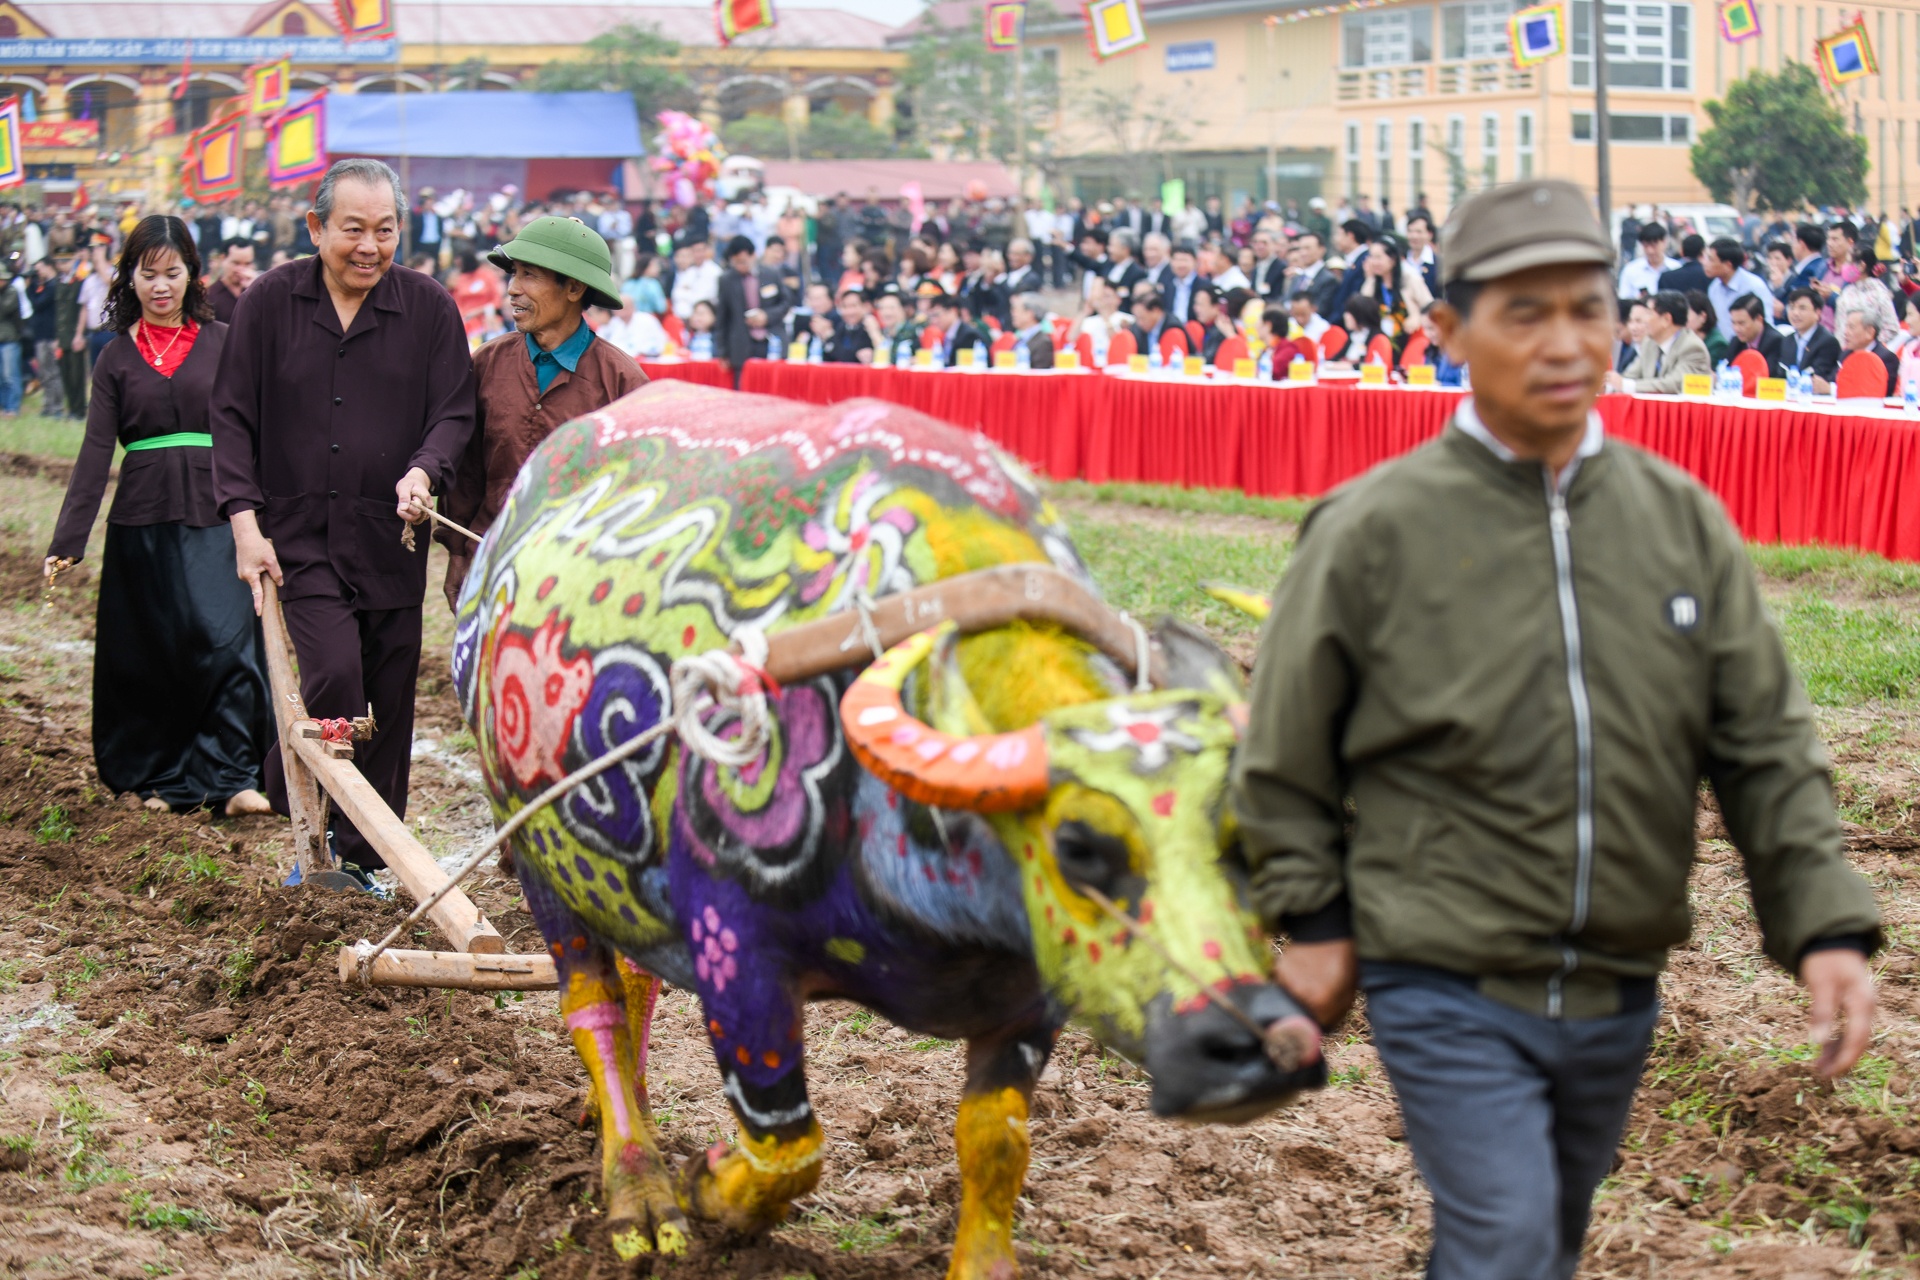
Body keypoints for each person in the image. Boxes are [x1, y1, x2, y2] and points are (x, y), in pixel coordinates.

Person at [1234, 176, 1881, 1280]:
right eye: (1524, 312)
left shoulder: (1678, 522)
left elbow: (1765, 745)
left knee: (1541, 1242)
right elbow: (1282, 761)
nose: (1564, 341)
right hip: (1441, 976)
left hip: (1617, 980)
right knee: (1508, 1244)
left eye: (1588, 309)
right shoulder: (1371, 531)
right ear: (1450, 332)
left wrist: (1823, 924)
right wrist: (1316, 921)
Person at [211, 158, 476, 888]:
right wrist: (243, 523)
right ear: (315, 227)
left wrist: (425, 470)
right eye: (353, 229)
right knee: (334, 675)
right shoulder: (268, 303)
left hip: (390, 536)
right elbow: (230, 417)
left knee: (388, 701)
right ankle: (288, 778)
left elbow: (453, 413)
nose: (370, 246)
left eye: (385, 230)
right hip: (298, 536)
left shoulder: (428, 308)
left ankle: (357, 863)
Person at [46, 215, 270, 817]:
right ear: (130, 279)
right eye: (148, 275)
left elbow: (257, 429)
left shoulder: (225, 341)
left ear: (192, 274)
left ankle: (233, 775)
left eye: (172, 273)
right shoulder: (115, 358)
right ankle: (160, 779)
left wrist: (267, 513)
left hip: (220, 511)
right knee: (152, 652)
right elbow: (96, 450)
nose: (161, 286)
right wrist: (68, 539)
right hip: (141, 520)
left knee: (224, 641)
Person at [440, 217, 645, 610]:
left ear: (574, 288)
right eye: (514, 273)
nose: (512, 289)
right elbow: (467, 472)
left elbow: (635, 494)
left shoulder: (622, 382)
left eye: (529, 275)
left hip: (580, 578)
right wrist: (459, 551)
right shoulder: (487, 363)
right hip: (491, 561)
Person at [1605, 290, 1709, 394]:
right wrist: (1609, 385)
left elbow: (1674, 384)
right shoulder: (1649, 343)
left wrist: (1625, 385)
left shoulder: (1692, 347)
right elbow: (1629, 376)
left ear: (1666, 319)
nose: (1645, 320)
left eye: (1649, 313)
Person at [1818, 302, 1899, 397]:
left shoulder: (1886, 358)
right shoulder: (1845, 354)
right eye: (1846, 327)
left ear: (1870, 332)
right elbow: (1833, 379)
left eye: (1851, 327)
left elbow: (1875, 391)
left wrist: (1831, 389)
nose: (1846, 332)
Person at [1702, 238, 1779, 338]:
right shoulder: (1714, 288)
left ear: (1728, 265)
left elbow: (1766, 324)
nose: (1705, 263)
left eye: (1711, 259)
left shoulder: (1754, 286)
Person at [712, 234, 763, 380]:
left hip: (767, 342)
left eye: (743, 261)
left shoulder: (770, 274)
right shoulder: (726, 280)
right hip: (739, 345)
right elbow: (722, 317)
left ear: (753, 256)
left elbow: (784, 303)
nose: (740, 266)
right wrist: (723, 352)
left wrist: (767, 316)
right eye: (736, 263)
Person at [27, 257, 64, 418]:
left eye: (40, 268)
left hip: (51, 335)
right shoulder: (44, 286)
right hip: (41, 335)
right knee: (44, 373)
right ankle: (48, 405)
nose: (38, 272)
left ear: (49, 267)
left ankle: (57, 406)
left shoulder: (54, 285)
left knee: (53, 372)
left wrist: (29, 288)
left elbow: (38, 304)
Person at [1781, 287, 1842, 383]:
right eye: (1792, 307)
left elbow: (1818, 375)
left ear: (1817, 313)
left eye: (1802, 308)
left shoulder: (1828, 342)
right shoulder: (1787, 340)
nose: (1795, 313)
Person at [1724, 293, 1784, 377]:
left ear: (1759, 319)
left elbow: (1770, 376)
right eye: (1734, 323)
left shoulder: (1776, 342)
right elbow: (1726, 371)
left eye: (1741, 323)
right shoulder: (1736, 342)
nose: (1736, 329)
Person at [925, 293, 986, 365]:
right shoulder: (947, 335)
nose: (933, 321)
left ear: (953, 311)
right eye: (931, 317)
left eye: (936, 315)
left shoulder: (969, 336)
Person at [206, 237, 255, 324]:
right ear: (223, 259)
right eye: (236, 263)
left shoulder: (255, 292)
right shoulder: (210, 296)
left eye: (247, 264)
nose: (241, 269)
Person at [1618, 222, 1674, 298]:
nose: (1650, 251)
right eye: (1645, 246)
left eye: (1654, 245)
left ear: (1664, 242)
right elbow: (1624, 298)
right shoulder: (1631, 270)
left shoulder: (1676, 268)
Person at [825, 288, 874, 363]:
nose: (849, 312)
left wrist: (830, 337)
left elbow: (849, 357)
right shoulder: (841, 326)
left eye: (853, 306)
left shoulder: (870, 328)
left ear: (865, 307)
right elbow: (828, 353)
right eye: (844, 307)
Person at [1008, 292, 1054, 368]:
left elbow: (1039, 372)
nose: (1013, 314)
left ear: (1029, 314)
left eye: (1016, 310)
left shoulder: (1043, 342)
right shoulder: (1021, 339)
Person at [1682, 289, 1727, 365]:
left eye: (1686, 314)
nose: (1682, 319)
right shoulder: (1683, 338)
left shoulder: (1717, 344)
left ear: (1703, 317)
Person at [1405, 214, 1440, 297]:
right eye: (1410, 231)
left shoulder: (1438, 264)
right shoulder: (1402, 260)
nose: (1414, 236)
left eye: (1419, 232)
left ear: (1430, 235)